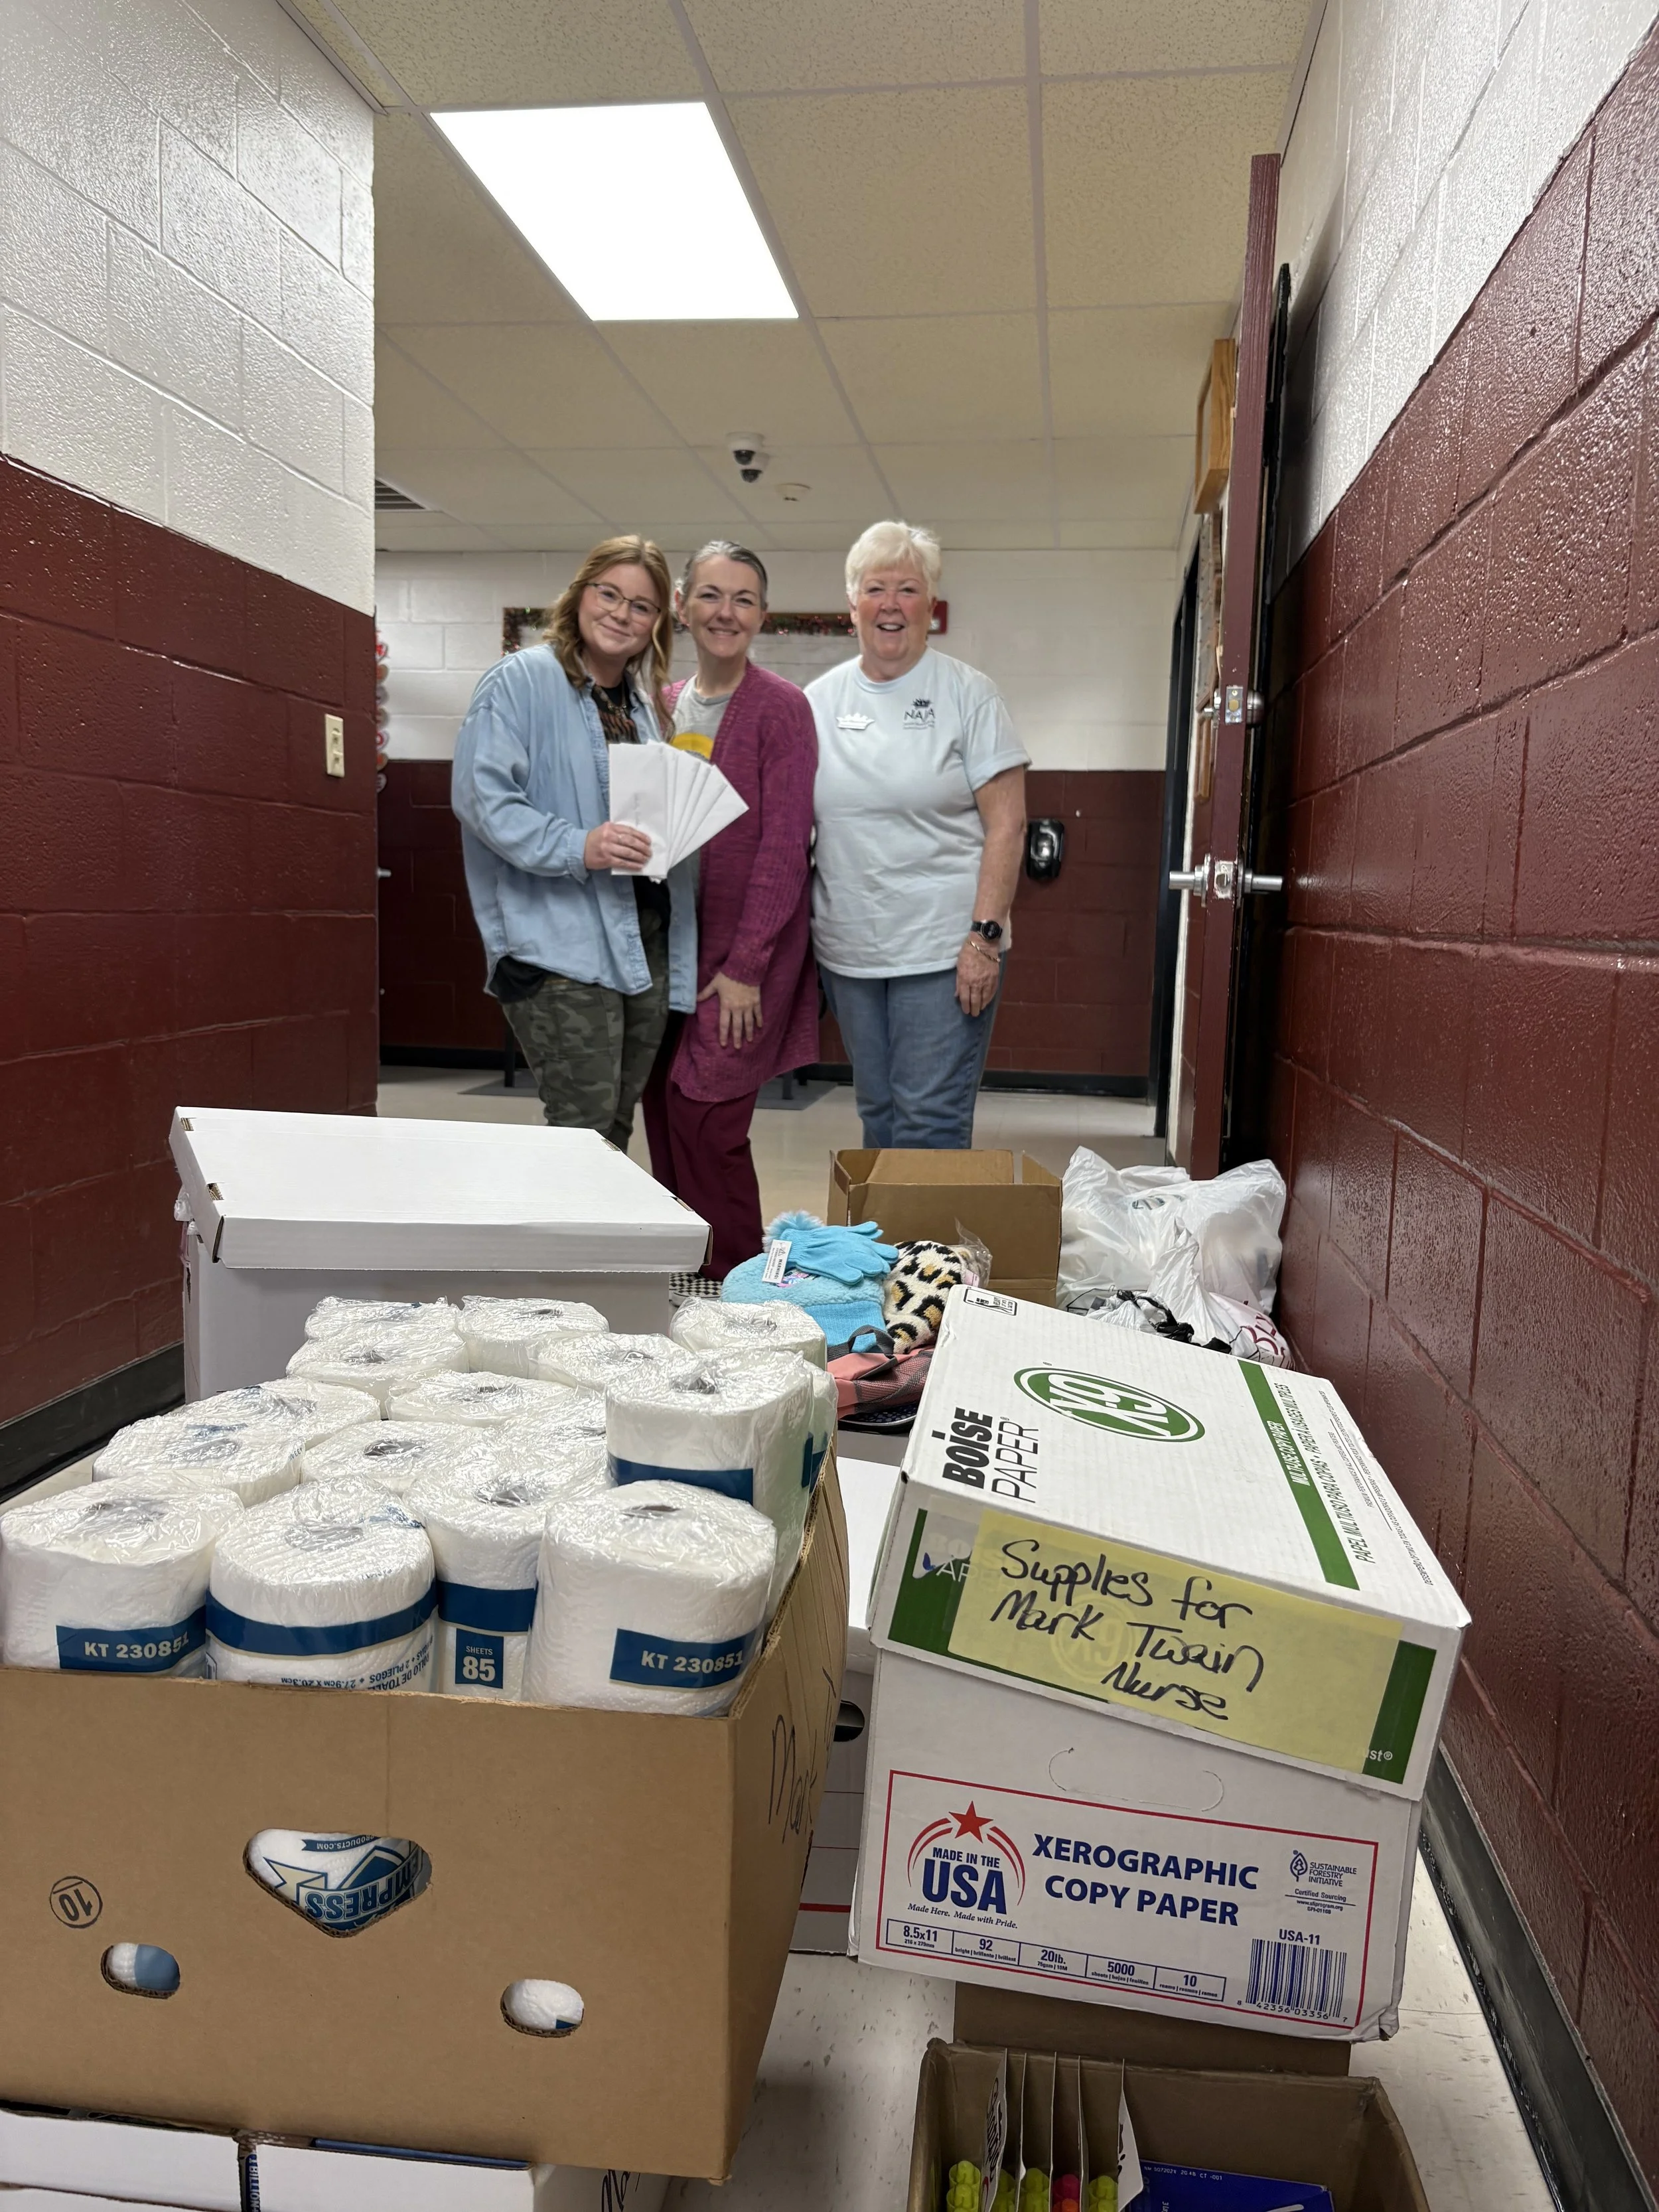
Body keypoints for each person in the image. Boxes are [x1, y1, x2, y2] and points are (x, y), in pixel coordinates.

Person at [450, 536, 695, 1149]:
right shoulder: (522, 680)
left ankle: (604, 1247)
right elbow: (483, 800)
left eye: (641, 606)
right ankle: (561, 1247)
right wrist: (576, 844)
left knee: (612, 1127)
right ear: (580, 594)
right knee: (581, 1132)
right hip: (556, 947)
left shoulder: (641, 705)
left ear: (657, 623)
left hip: (638, 942)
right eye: (609, 593)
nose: (621, 613)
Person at [805, 520, 1028, 1150]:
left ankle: (928, 1250)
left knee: (929, 1121)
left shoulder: (969, 695)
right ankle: (894, 1251)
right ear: (852, 607)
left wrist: (984, 940)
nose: (892, 604)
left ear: (931, 605)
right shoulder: (816, 702)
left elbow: (1008, 823)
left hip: (944, 949)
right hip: (851, 953)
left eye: (909, 589)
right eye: (876, 588)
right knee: (879, 1115)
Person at [642, 542, 817, 1278]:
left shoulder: (781, 708)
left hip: (743, 960)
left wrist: (747, 966)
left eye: (743, 599)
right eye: (711, 595)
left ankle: (743, 1290)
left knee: (706, 1119)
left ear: (762, 616)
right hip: (668, 950)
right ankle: (683, 1278)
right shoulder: (662, 701)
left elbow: (783, 848)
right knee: (659, 1112)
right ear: (682, 607)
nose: (726, 612)